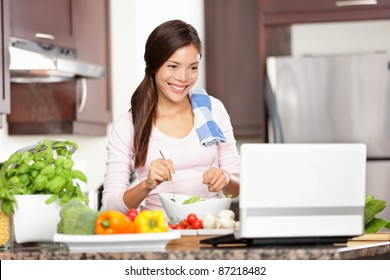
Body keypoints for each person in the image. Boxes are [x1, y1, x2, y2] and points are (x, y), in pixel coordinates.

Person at [102, 19, 240, 214]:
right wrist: (147, 185)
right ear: (154, 66)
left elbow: (239, 185)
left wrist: (226, 178)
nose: (183, 78)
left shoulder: (212, 110)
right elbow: (111, 205)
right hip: (156, 231)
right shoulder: (129, 125)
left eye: (193, 67)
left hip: (210, 229)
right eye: (173, 66)